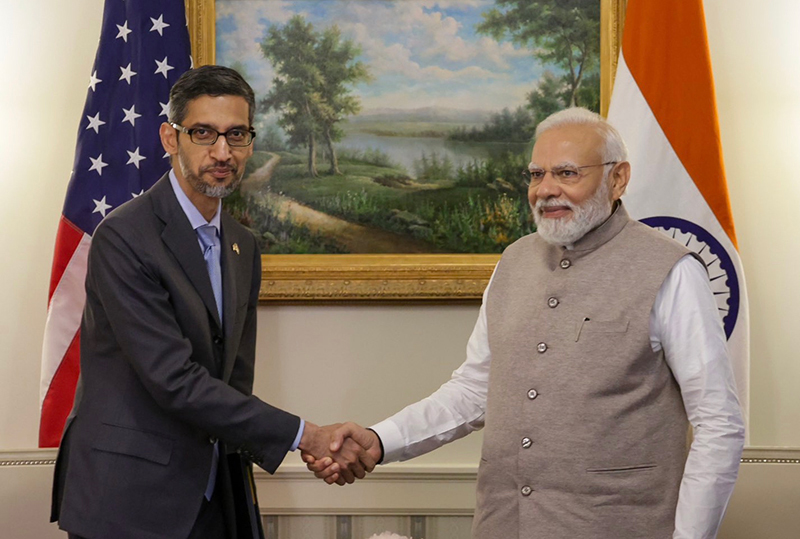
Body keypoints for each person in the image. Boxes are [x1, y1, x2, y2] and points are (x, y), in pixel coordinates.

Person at [306, 108, 745, 539]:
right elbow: (474, 391)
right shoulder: (513, 261)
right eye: (537, 175)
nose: (546, 190)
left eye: (567, 173)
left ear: (618, 179)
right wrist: (379, 440)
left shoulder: (672, 271)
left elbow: (718, 424)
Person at [50, 65, 374, 539]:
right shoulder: (124, 237)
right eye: (203, 133)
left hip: (215, 496)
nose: (223, 152)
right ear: (170, 138)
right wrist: (307, 436)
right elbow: (174, 379)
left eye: (236, 135)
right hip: (127, 502)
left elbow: (233, 380)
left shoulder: (242, 245)